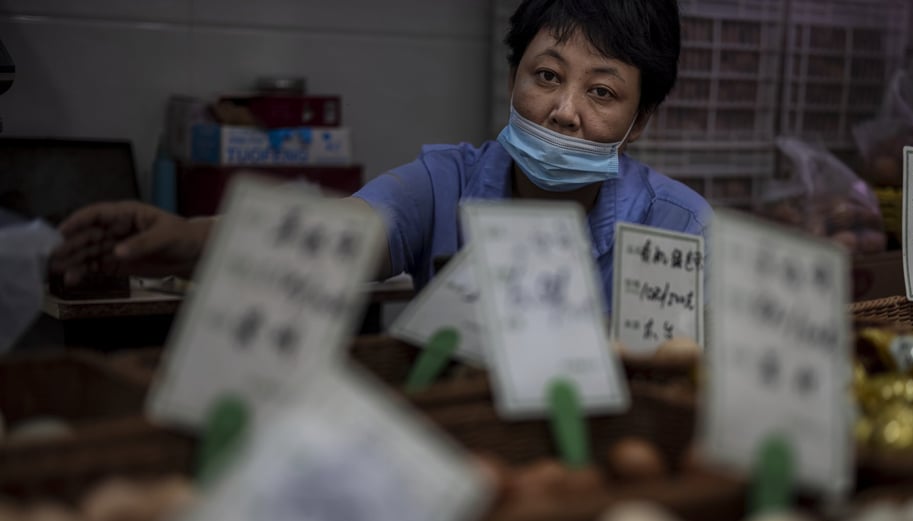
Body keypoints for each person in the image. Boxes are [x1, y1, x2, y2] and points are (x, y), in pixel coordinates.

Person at [50, 0, 711, 309]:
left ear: (641, 119)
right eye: (546, 76)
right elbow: (339, 233)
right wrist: (190, 240)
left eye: (601, 91)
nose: (565, 109)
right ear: (514, 80)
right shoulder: (443, 184)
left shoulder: (681, 227)